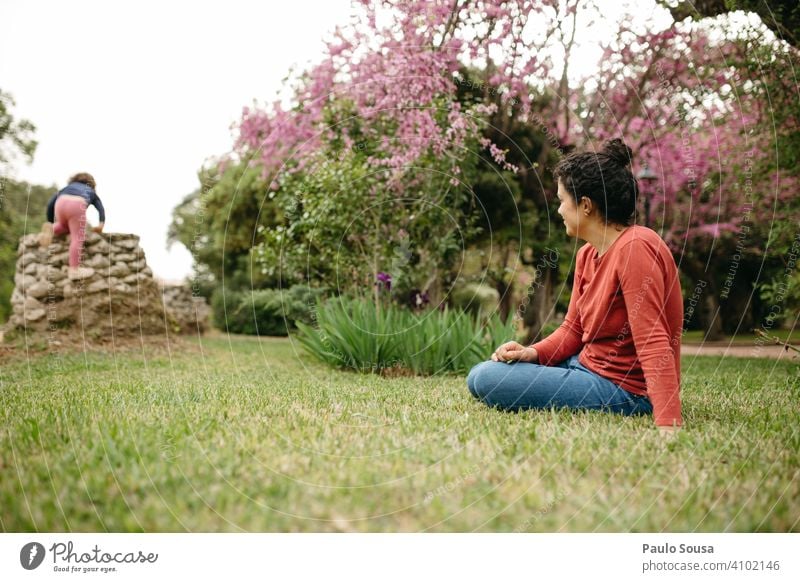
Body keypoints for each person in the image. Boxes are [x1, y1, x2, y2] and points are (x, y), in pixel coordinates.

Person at [466, 139, 683, 438]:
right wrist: (531, 352)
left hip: (625, 389)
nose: (558, 210)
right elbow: (572, 329)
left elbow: (652, 339)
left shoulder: (636, 248)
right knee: (478, 376)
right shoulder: (587, 254)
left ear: (585, 205)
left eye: (561, 200)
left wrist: (668, 424)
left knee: (489, 380)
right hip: (583, 366)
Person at [38, 172, 105, 280]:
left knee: (65, 226)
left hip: (60, 204)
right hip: (77, 205)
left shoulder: (67, 188)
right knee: (77, 237)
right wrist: (101, 224)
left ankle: (52, 228)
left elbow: (50, 203)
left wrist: (50, 221)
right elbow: (100, 208)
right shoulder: (90, 190)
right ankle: (74, 270)